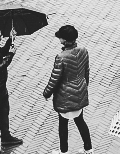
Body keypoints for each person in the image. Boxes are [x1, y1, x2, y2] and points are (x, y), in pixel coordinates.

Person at [42, 25, 92, 153]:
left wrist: (47, 93)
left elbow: (55, 79)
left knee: (63, 124)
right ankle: (89, 149)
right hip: (80, 91)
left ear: (64, 40)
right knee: (80, 121)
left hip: (65, 96)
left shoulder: (61, 57)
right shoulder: (83, 50)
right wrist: (84, 86)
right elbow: (86, 71)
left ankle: (64, 151)